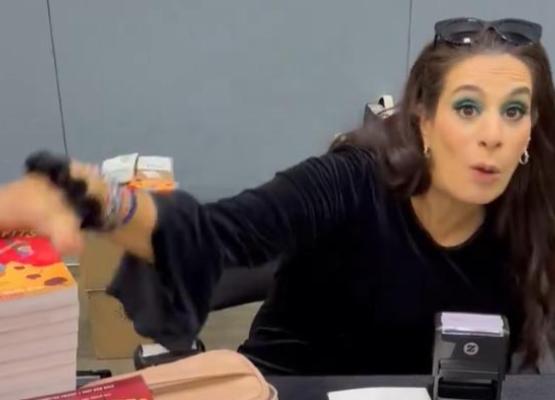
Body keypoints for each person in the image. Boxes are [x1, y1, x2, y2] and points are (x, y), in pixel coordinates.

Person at [0, 17, 554, 375]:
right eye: (467, 107)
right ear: (423, 120)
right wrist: (94, 198)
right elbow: (212, 234)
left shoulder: (534, 214)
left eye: (513, 111)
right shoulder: (351, 181)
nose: (492, 135)